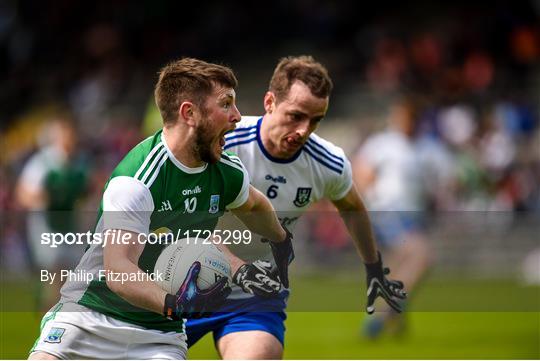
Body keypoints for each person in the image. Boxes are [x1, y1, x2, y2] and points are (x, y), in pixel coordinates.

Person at [29, 57, 292, 360]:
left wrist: (281, 240)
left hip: (159, 336)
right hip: (89, 317)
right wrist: (175, 303)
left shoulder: (225, 171)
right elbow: (118, 269)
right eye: (226, 104)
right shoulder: (138, 177)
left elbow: (254, 204)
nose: (237, 116)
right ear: (189, 113)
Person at [186, 56, 406, 359]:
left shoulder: (328, 163)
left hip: (254, 295)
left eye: (316, 120)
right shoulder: (222, 140)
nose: (304, 130)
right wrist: (236, 267)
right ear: (269, 102)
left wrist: (373, 267)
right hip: (184, 279)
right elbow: (184, 220)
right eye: (296, 116)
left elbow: (353, 206)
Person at [353, 96, 434, 338]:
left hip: (411, 214)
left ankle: (392, 320)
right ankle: (384, 314)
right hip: (389, 211)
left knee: (398, 267)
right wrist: (372, 199)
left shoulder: (420, 147)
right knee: (422, 257)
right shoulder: (384, 143)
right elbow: (361, 169)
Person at [16, 117, 89, 311]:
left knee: (70, 274)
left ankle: (57, 312)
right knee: (55, 269)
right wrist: (42, 199)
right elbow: (23, 193)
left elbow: (87, 190)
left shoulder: (79, 162)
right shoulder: (43, 162)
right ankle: (50, 312)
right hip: (46, 223)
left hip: (70, 223)